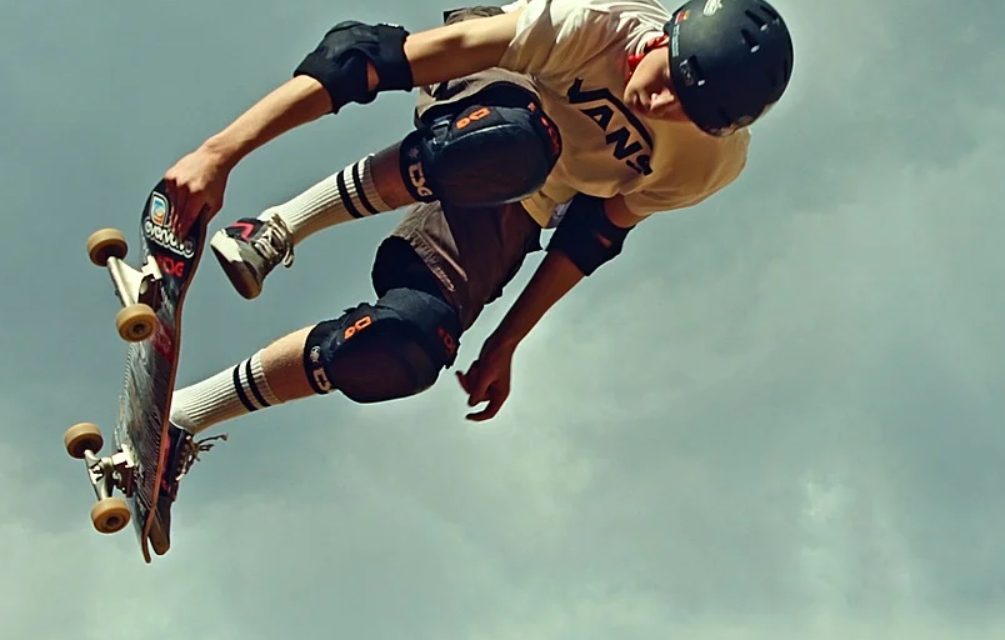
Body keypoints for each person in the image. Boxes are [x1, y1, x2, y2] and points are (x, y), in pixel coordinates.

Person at [152, 0, 794, 549]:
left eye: (683, 109)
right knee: (509, 144)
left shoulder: (706, 166)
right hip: (498, 91)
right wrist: (218, 155)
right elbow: (368, 61)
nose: (655, 102)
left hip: (525, 200)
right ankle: (277, 228)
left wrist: (506, 340)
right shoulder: (594, 24)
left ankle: (180, 420)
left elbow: (592, 234)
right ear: (664, 37)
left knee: (407, 343)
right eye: (666, 80)